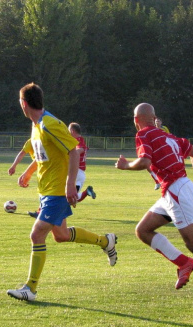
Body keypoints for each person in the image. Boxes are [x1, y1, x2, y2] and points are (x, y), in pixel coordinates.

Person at [115, 103, 193, 303]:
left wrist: (125, 166)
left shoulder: (144, 135)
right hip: (173, 191)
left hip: (176, 191)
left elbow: (145, 162)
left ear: (136, 120)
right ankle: (184, 263)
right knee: (143, 230)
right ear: (153, 117)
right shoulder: (168, 136)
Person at [7, 83, 117, 302]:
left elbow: (74, 150)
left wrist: (69, 185)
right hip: (45, 191)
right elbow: (43, 156)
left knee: (36, 235)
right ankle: (106, 242)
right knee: (61, 236)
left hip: (57, 192)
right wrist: (29, 173)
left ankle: (31, 288)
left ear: (24, 103)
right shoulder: (37, 126)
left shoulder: (49, 123)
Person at [8, 140, 41, 218]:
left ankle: (43, 212)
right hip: (42, 168)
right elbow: (23, 153)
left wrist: (14, 166)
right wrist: (14, 166)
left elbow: (38, 158)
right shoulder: (32, 140)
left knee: (46, 190)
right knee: (43, 190)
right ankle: (41, 212)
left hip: (47, 168)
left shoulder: (34, 140)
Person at [68, 122, 96, 202]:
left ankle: (86, 192)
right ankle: (86, 192)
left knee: (69, 199)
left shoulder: (78, 141)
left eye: (68, 130)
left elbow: (79, 150)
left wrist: (67, 153)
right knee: (71, 199)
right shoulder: (81, 140)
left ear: (72, 131)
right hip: (80, 173)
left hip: (76, 172)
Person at [149, 117, 170, 190]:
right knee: (149, 167)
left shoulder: (164, 128)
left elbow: (168, 137)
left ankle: (166, 182)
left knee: (164, 167)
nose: (157, 122)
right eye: (156, 121)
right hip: (154, 150)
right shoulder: (152, 129)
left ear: (161, 122)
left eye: (158, 121)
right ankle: (157, 182)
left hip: (163, 150)